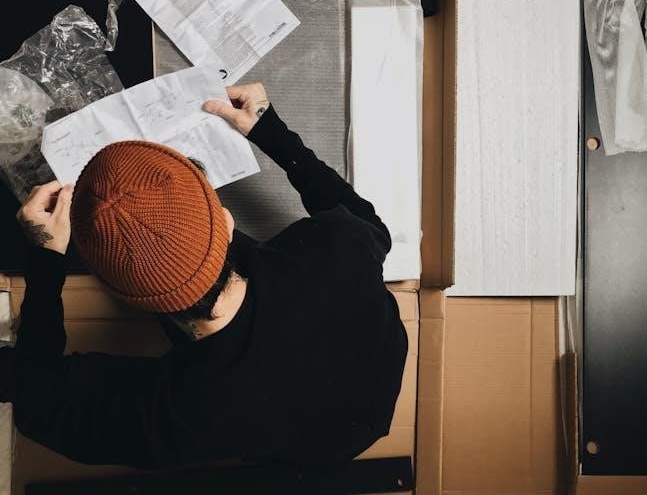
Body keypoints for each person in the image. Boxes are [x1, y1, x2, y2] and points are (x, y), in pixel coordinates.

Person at [0, 83, 407, 470]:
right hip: (366, 392)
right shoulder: (339, 249)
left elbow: (38, 404)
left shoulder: (187, 414)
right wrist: (272, 133)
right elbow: (368, 221)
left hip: (317, 442)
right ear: (226, 223)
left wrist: (47, 259)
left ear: (117, 293)